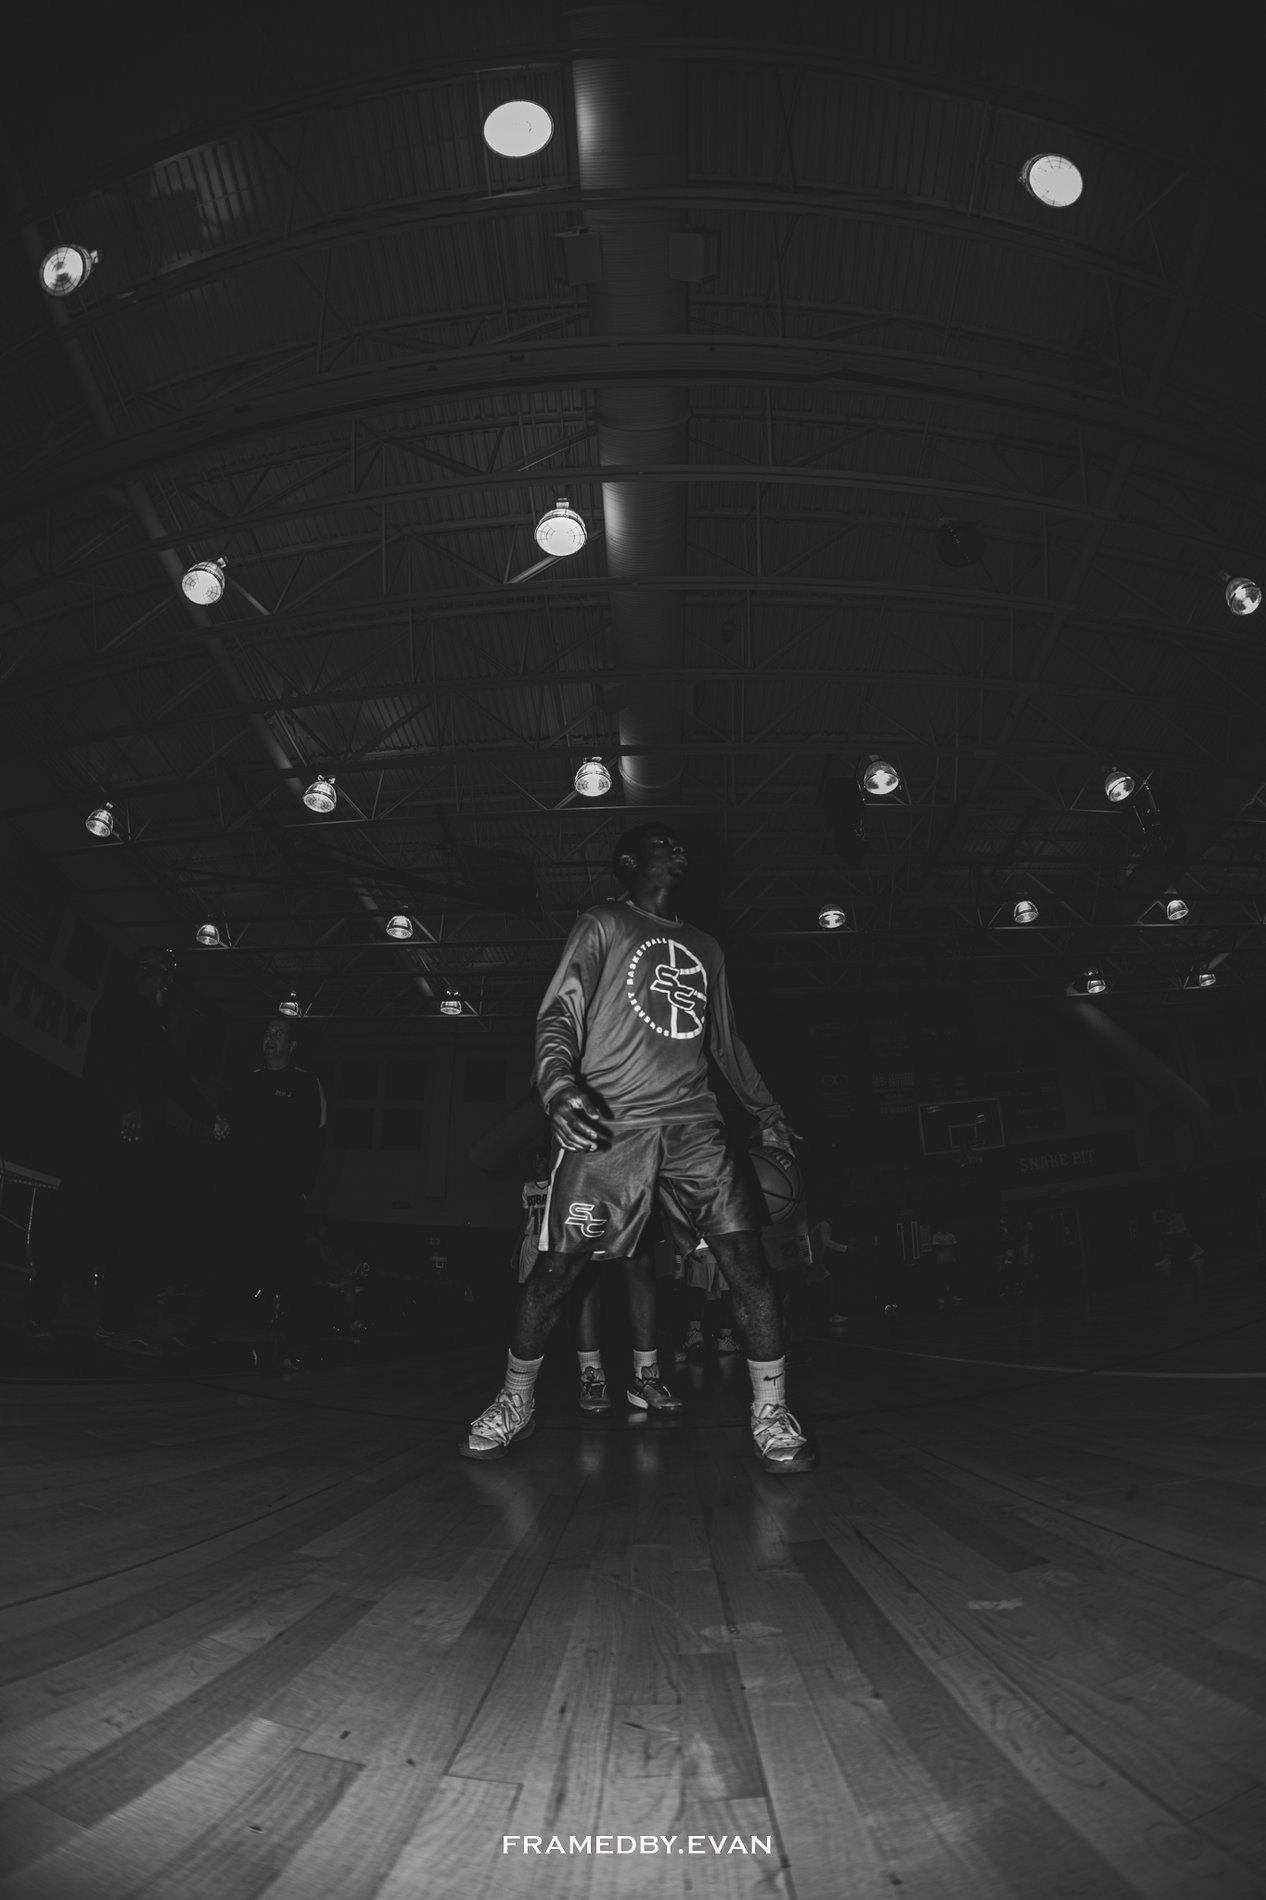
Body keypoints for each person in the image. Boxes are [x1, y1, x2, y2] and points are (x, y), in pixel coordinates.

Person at [460, 822, 816, 1474]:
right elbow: (559, 1013)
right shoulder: (601, 923)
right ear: (629, 860)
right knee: (556, 1272)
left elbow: (727, 1042)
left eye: (683, 843)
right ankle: (515, 1400)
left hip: (694, 1126)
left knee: (748, 1265)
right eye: (662, 842)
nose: (679, 848)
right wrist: (558, 1085)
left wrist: (767, 1112)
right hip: (611, 1123)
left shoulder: (706, 947)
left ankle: (770, 1411)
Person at [222, 1018, 326, 1331]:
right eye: (268, 1032)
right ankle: (232, 1319)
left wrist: (306, 1188)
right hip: (245, 1187)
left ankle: (290, 1330)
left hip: (285, 1190)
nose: (270, 1038)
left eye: (279, 1034)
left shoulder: (306, 1083)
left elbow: (317, 1139)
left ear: (292, 1046)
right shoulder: (248, 1081)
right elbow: (230, 1129)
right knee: (238, 1254)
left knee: (285, 1259)